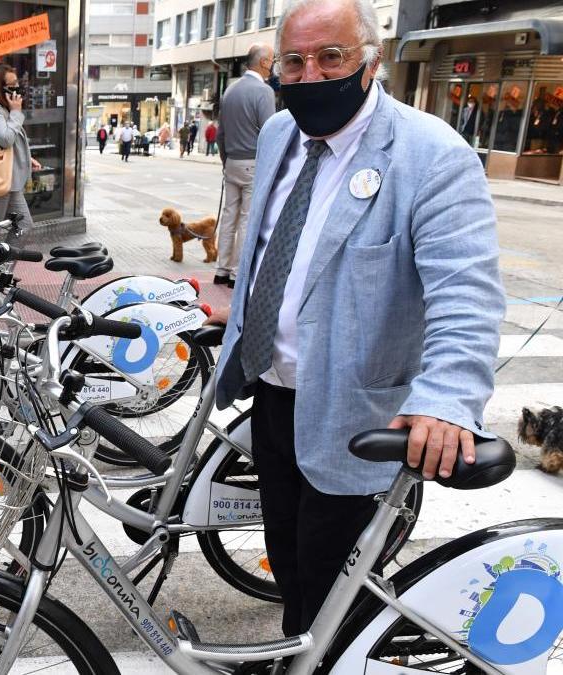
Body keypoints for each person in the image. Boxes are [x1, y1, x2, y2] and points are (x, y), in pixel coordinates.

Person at [207, 0, 503, 637]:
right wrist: (239, 312)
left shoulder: (432, 156)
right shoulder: (278, 134)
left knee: (331, 588)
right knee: (286, 560)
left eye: (331, 57)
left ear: (370, 61)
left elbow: (467, 292)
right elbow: (271, 249)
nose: (311, 74)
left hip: (358, 413)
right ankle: (300, 651)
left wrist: (448, 398)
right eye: (295, 60)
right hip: (274, 395)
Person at [214, 43, 277, 288]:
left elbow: (220, 135)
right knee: (246, 218)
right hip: (253, 162)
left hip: (231, 162)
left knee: (229, 216)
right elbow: (272, 133)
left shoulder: (230, 91)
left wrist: (226, 160)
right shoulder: (263, 92)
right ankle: (235, 274)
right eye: (272, 60)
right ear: (263, 62)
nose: (273, 65)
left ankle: (221, 269)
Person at [0, 65, 40, 231]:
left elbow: (9, 142)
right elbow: (5, 139)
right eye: (12, 84)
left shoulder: (4, 108)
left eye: (17, 82)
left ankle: (4, 257)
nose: (17, 88)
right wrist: (16, 112)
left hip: (9, 180)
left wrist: (27, 158)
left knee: (24, 227)